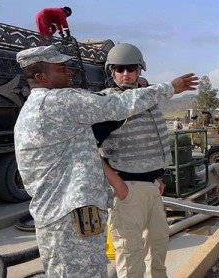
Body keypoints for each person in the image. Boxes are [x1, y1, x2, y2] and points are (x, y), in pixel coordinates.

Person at [13, 44, 198, 277]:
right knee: (121, 260)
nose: (70, 71)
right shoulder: (59, 102)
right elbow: (117, 108)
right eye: (61, 68)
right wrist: (170, 87)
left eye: (131, 68)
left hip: (68, 211)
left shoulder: (39, 106)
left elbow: (85, 148)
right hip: (73, 212)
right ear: (40, 76)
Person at [98, 43, 176, 278]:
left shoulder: (146, 100)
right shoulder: (107, 104)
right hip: (127, 190)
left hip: (152, 188)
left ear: (140, 70)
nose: (125, 74)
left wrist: (157, 178)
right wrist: (118, 186)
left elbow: (155, 140)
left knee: (158, 251)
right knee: (131, 262)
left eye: (130, 68)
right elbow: (88, 148)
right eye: (119, 69)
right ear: (111, 72)